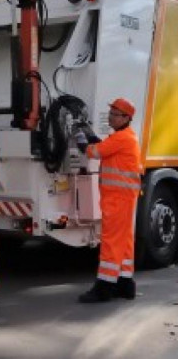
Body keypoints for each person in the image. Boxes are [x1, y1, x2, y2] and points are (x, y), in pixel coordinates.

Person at [75, 98, 142, 303]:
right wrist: (91, 136)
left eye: (115, 113)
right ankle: (125, 284)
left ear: (126, 118)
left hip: (117, 199)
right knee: (124, 243)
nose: (110, 116)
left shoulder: (122, 138)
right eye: (111, 112)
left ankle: (103, 288)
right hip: (123, 198)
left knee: (111, 242)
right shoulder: (125, 136)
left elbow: (94, 151)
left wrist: (80, 139)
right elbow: (104, 146)